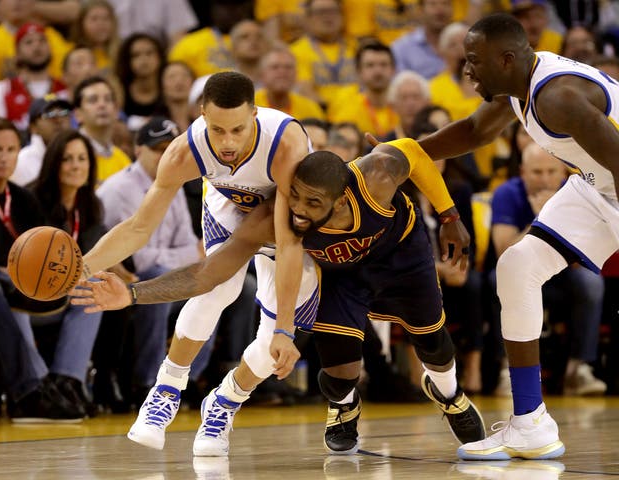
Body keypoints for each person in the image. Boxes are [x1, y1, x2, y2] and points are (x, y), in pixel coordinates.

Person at [73, 141, 486, 456]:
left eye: (313, 203)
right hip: (346, 276)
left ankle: (449, 395)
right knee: (338, 360)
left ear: (342, 199)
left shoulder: (377, 175)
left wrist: (449, 216)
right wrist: (130, 294)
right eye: (296, 196)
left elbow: (413, 151)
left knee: (434, 344)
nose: (299, 212)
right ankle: (342, 407)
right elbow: (208, 272)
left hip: (402, 254)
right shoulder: (277, 217)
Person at [388, 12, 619, 460]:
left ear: (506, 59)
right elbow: (474, 131)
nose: (466, 70)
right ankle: (530, 422)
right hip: (599, 184)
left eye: (474, 61)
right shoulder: (519, 87)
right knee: (518, 266)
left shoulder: (559, 97)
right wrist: (406, 153)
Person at [71, 71, 320, 456]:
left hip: (282, 223)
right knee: (219, 287)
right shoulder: (184, 151)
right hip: (229, 208)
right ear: (201, 114)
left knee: (272, 346)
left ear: (255, 114)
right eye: (217, 130)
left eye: (237, 129)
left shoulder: (285, 144)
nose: (227, 142)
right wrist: (80, 268)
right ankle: (166, 390)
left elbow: (288, 243)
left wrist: (285, 329)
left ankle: (225, 400)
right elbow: (139, 228)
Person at [0, 116, 82, 422]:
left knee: (85, 296)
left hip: (18, 290)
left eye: (11, 149)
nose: (4, 156)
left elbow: (50, 248)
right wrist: (4, 274)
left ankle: (66, 382)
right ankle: (27, 393)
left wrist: (67, 276)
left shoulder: (24, 198)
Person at [96, 117, 201, 405]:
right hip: (125, 279)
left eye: (172, 148)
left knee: (214, 284)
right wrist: (186, 257)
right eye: (159, 148)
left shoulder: (174, 183)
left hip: (162, 272)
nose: (167, 154)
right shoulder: (118, 189)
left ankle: (186, 379)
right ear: (137, 149)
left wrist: (187, 257)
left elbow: (191, 247)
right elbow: (139, 260)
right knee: (158, 283)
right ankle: (146, 382)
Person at [487, 142, 606, 396]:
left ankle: (579, 369)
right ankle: (506, 370)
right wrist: (541, 218)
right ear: (522, 172)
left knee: (591, 282)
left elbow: (583, 257)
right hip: (521, 272)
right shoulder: (507, 194)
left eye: (551, 171)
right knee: (498, 280)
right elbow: (504, 253)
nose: (544, 179)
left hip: (563, 273)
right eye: (536, 172)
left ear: (564, 172)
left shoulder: (575, 193)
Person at [30, 129, 107, 416]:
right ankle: (56, 383)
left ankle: (68, 381)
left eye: (82, 159)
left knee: (97, 286)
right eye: (67, 159)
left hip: (69, 296)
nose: (76, 165)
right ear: (54, 164)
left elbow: (95, 259)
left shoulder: (90, 206)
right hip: (33, 297)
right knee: (90, 290)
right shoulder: (31, 200)